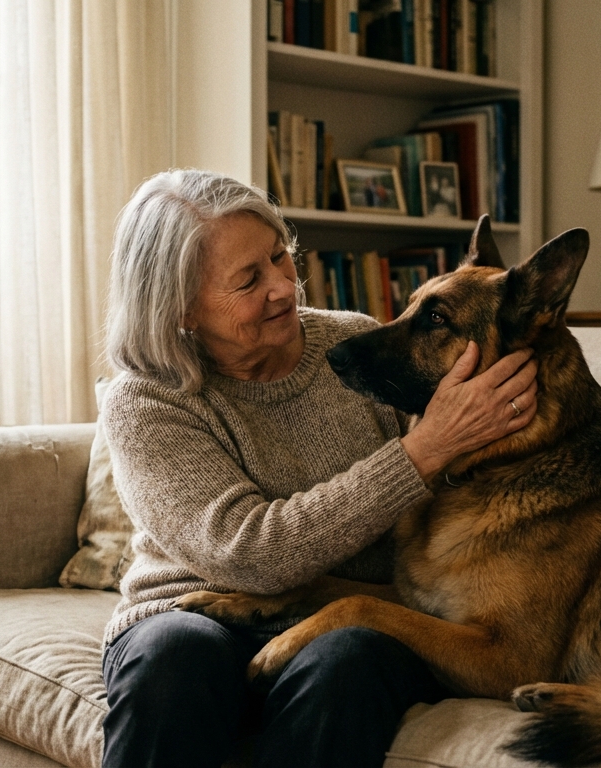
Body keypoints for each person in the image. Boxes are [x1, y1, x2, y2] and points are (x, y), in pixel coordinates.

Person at [98, 170, 539, 768]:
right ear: (180, 308)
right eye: (249, 280)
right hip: (193, 610)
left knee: (348, 660)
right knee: (175, 658)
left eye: (281, 256)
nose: (283, 286)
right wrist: (425, 448)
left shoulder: (359, 344)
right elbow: (247, 552)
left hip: (353, 609)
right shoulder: (147, 400)